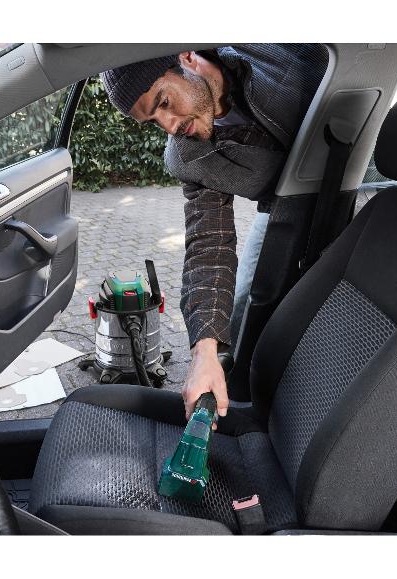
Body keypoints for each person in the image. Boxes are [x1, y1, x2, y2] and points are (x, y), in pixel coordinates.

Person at [100, 45, 328, 422]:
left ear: (186, 57)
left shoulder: (276, 55)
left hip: (360, 189)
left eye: (164, 102)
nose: (170, 125)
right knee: (241, 311)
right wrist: (204, 352)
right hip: (281, 211)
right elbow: (209, 245)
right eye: (155, 120)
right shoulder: (187, 155)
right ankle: (238, 404)